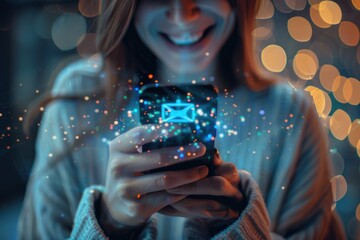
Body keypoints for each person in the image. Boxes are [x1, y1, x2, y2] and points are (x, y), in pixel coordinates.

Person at [18, 0, 346, 239]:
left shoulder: (290, 114)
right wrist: (111, 222)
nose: (182, 14)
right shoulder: (78, 100)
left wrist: (235, 228)